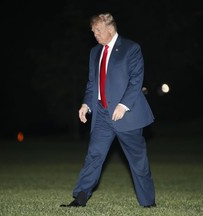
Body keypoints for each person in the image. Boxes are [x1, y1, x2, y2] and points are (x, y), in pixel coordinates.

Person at [60, 12, 156, 208]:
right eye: (93, 31)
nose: (95, 34)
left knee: (138, 161)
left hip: (125, 115)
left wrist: (123, 105)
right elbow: (91, 82)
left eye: (98, 30)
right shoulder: (94, 52)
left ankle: (148, 203)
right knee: (94, 156)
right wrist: (86, 104)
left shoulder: (131, 48)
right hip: (102, 115)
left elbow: (136, 79)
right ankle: (80, 198)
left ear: (110, 29)